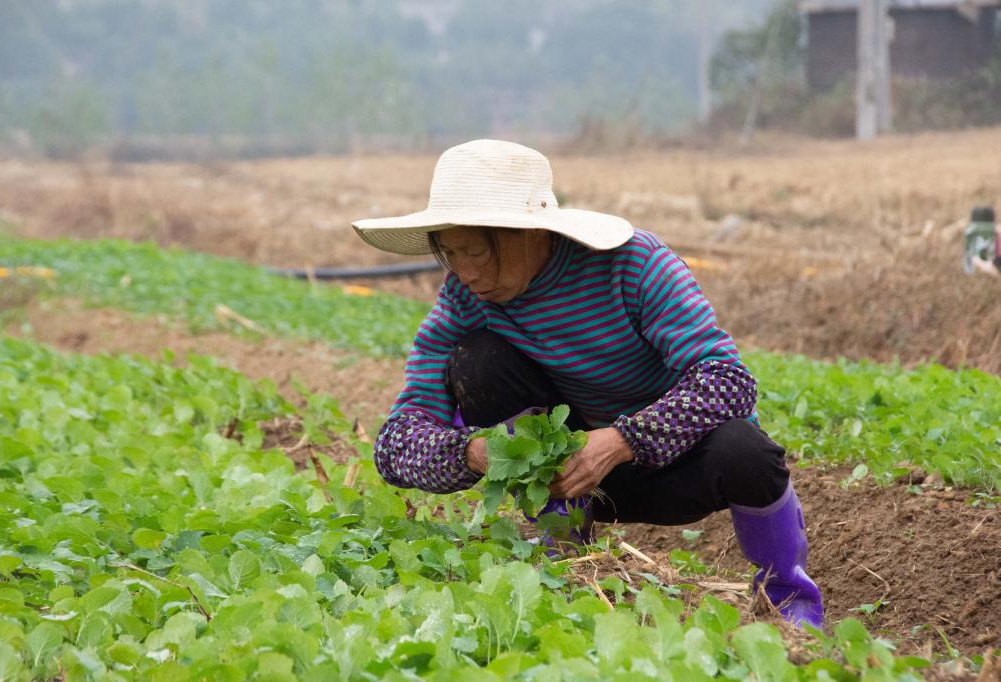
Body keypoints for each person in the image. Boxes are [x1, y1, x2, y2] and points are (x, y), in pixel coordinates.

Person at [351, 139, 823, 629]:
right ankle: (565, 553)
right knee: (477, 361)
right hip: (569, 477)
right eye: (450, 254)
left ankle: (790, 599)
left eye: (478, 251)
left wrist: (621, 441)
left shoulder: (634, 265)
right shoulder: (464, 301)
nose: (468, 273)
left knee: (746, 450)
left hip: (674, 467)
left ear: (533, 233)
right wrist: (475, 454)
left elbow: (729, 383)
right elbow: (395, 444)